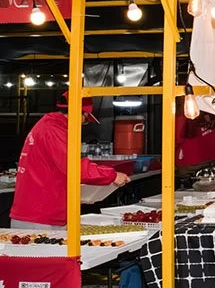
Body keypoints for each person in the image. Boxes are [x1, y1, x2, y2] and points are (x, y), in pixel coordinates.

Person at [10, 93, 129, 229]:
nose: (83, 125)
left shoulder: (48, 126)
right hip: (40, 218)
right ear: (79, 113)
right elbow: (74, 167)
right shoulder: (53, 130)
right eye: (85, 120)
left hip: (41, 213)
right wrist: (112, 175)